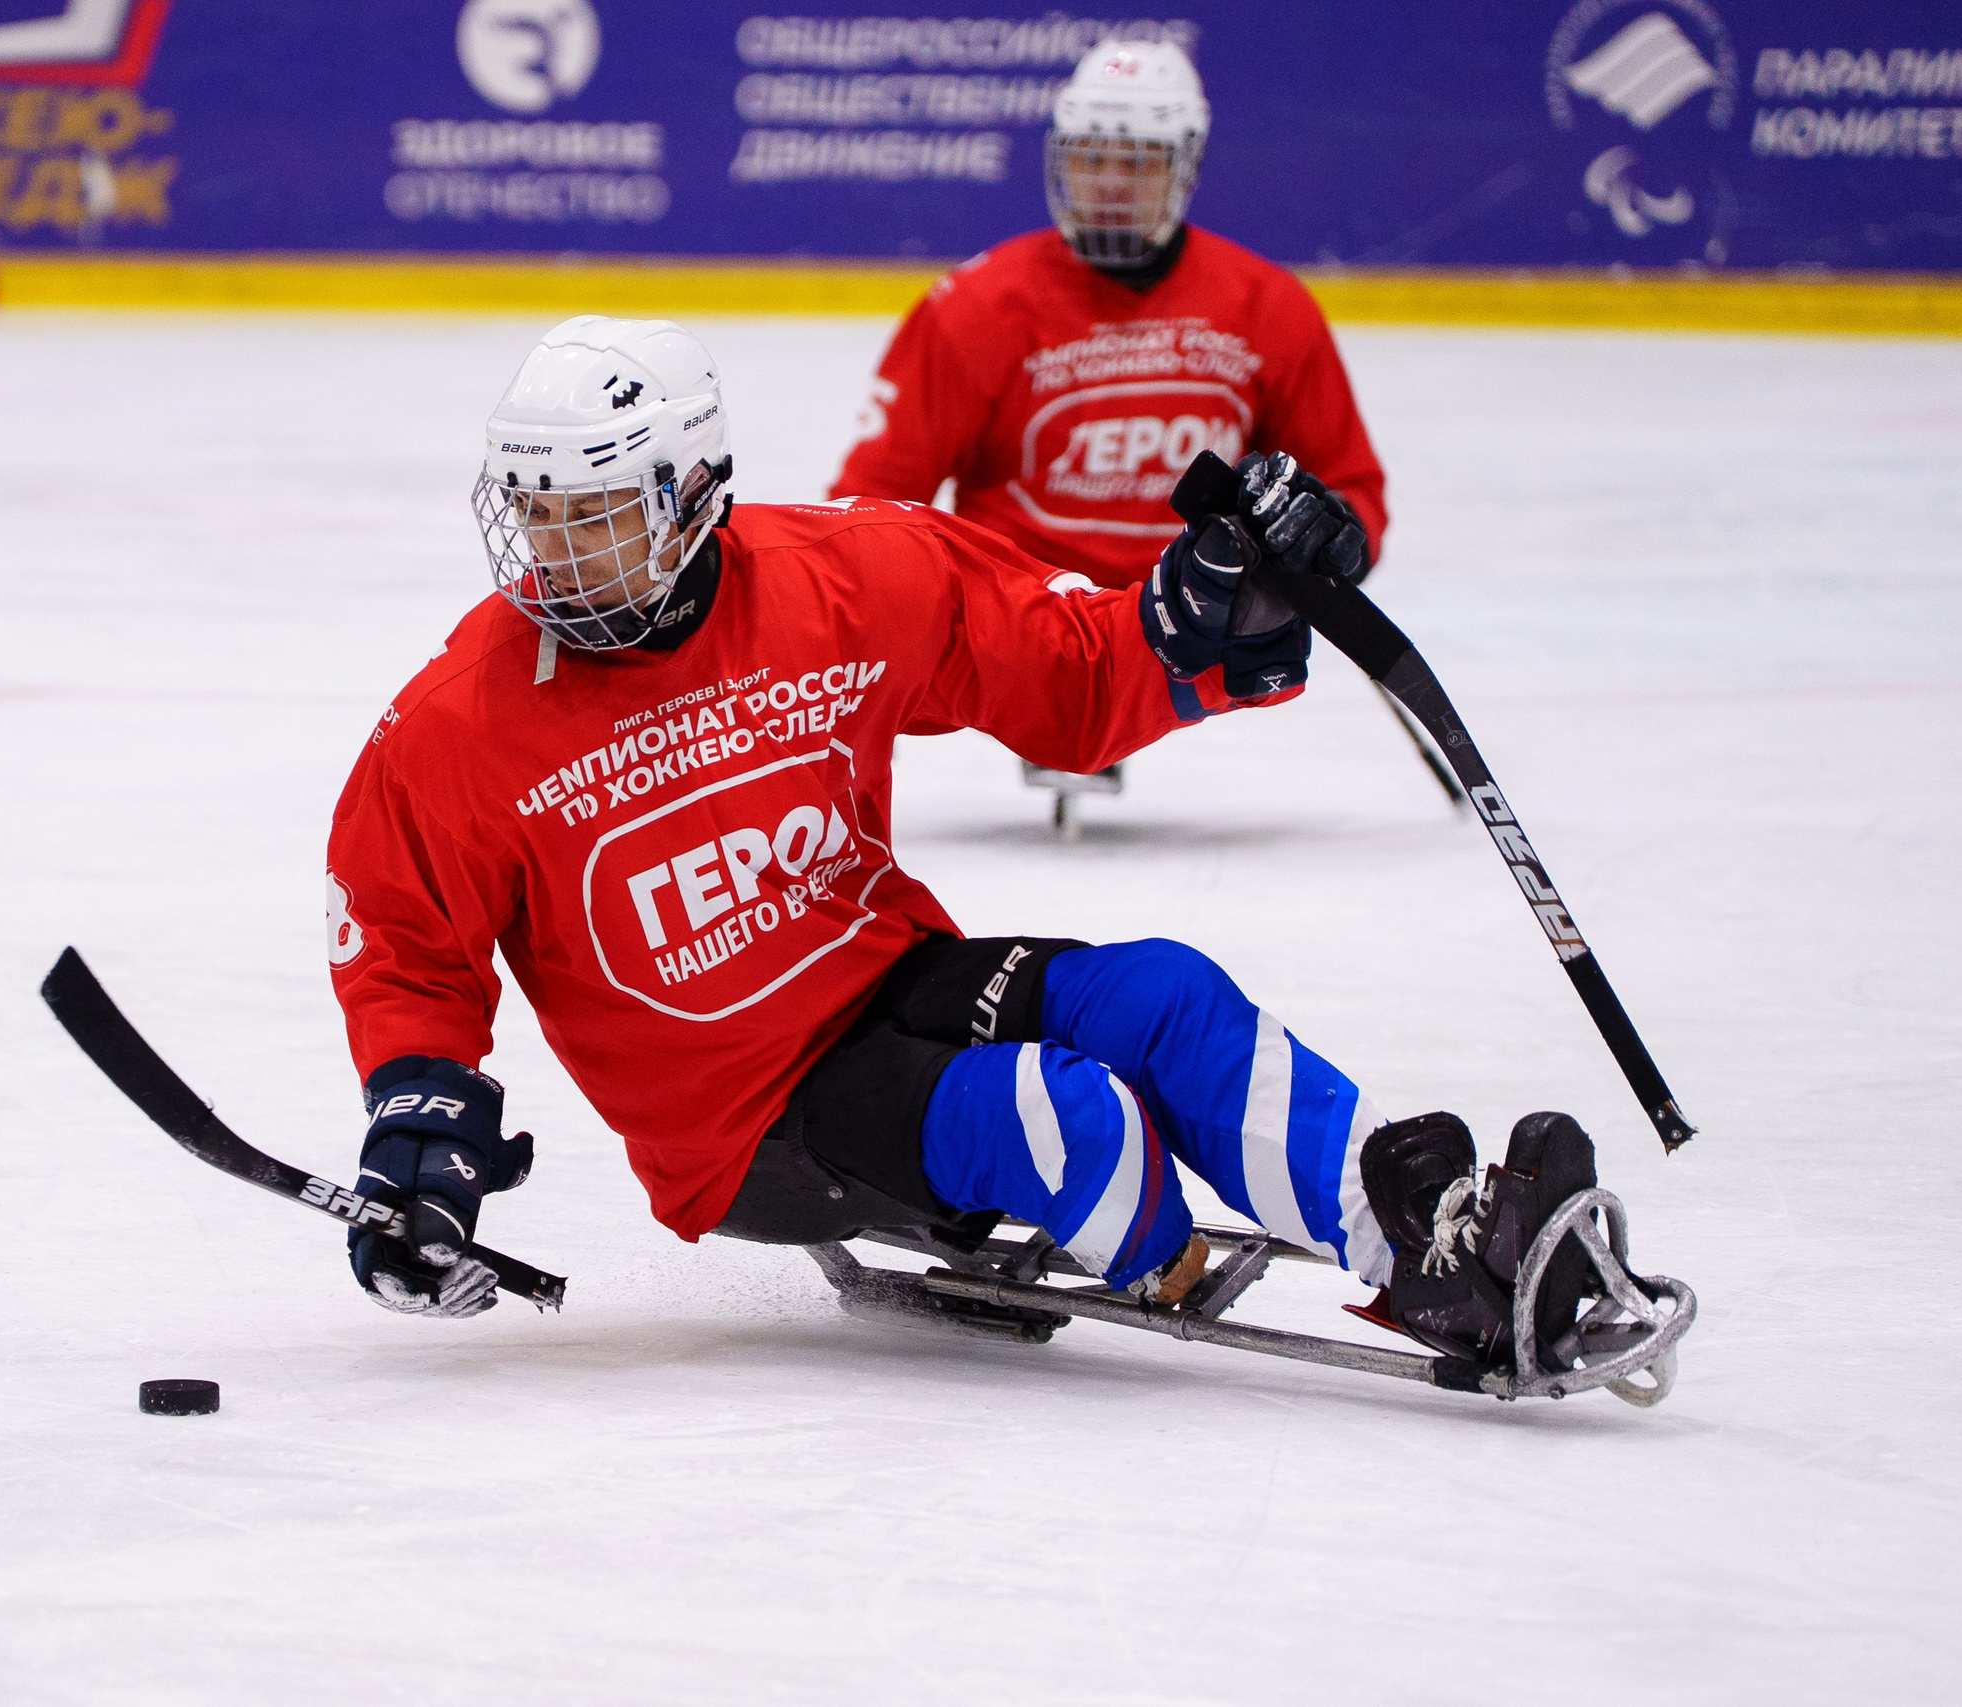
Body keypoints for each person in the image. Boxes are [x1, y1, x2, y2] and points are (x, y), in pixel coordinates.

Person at [324, 314, 1605, 1376]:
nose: (552, 554)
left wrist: (1215, 611)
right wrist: (421, 1147)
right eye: (535, 511)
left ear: (695, 491)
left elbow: (1066, 671)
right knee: (1071, 1117)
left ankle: (1430, 1251)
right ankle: (1160, 1251)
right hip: (743, 1125)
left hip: (889, 978)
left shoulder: (844, 577)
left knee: (1163, 997)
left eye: (595, 513)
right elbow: (407, 947)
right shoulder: (458, 725)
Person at [831, 39, 1390, 833]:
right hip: (1020, 624)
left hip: (1200, 618)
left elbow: (1350, 483)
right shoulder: (977, 308)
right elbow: (870, 506)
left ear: (1186, 165)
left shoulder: (1267, 306)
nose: (1111, 183)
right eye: (1092, 157)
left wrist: (1331, 535)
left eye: (1139, 161)